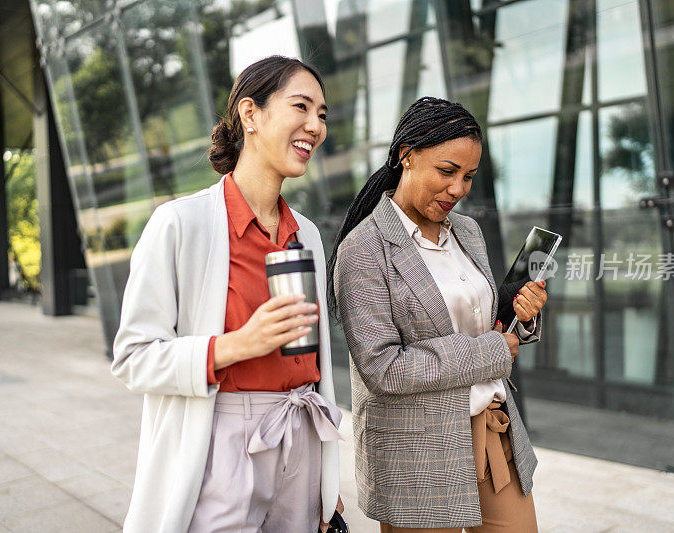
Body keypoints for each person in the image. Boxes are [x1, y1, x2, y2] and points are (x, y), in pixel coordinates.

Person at [112, 55, 343, 533]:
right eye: (301, 106)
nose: (315, 126)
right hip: (221, 440)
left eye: (322, 114)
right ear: (250, 114)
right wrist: (239, 344)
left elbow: (316, 371)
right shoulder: (180, 224)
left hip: (301, 433)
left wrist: (326, 478)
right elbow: (133, 357)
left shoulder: (310, 236)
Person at [328, 97, 547, 532]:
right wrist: (490, 351)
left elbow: (488, 327)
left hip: (493, 429)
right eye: (447, 171)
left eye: (468, 177)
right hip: (418, 454)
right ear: (406, 156)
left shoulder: (466, 231)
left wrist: (522, 318)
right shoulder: (363, 251)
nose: (458, 189)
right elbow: (384, 368)